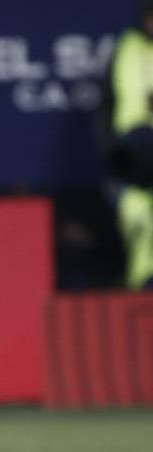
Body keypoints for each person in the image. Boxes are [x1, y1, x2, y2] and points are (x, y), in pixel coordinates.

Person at [108, 0, 153, 290]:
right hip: (137, 141)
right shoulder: (130, 47)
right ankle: (142, 285)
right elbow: (139, 98)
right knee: (138, 215)